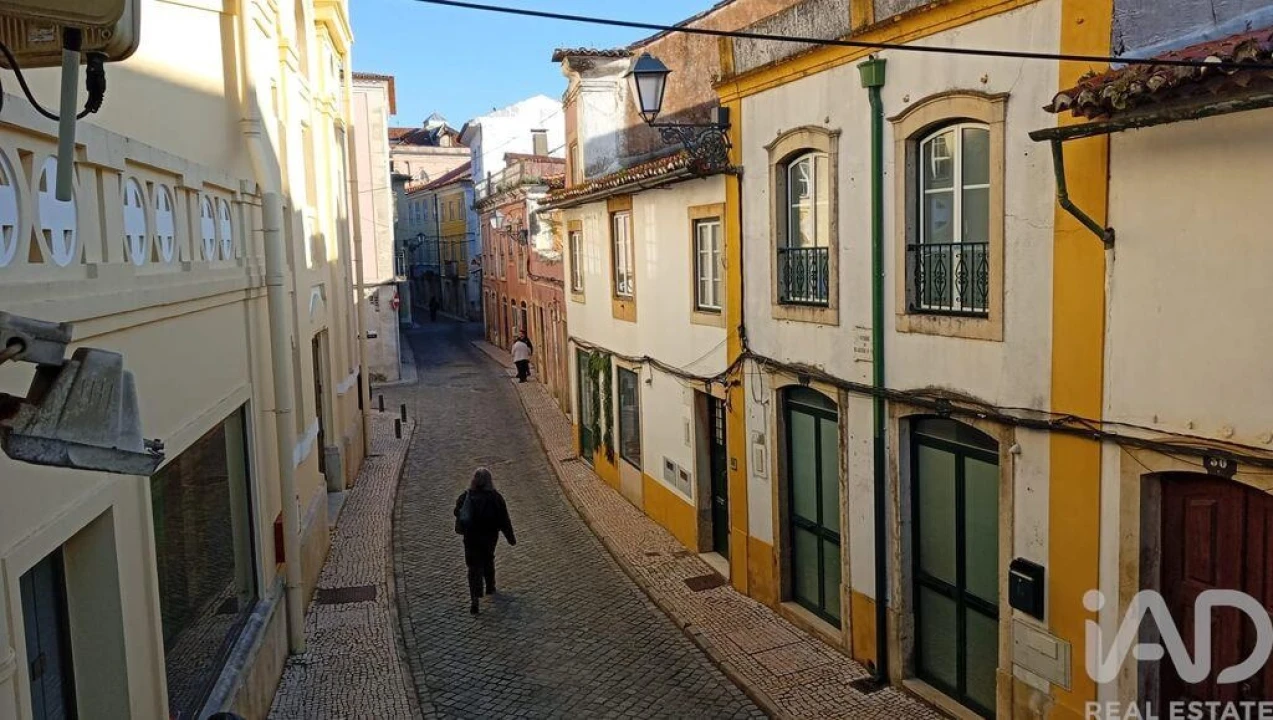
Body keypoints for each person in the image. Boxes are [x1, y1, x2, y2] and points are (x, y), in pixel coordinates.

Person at [454, 468, 516, 614]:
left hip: (471, 538)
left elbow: (457, 512)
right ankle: (490, 586)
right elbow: (504, 519)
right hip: (489, 537)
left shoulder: (465, 496)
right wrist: (510, 538)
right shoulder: (495, 498)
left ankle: (474, 599)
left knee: (473, 567)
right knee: (488, 559)